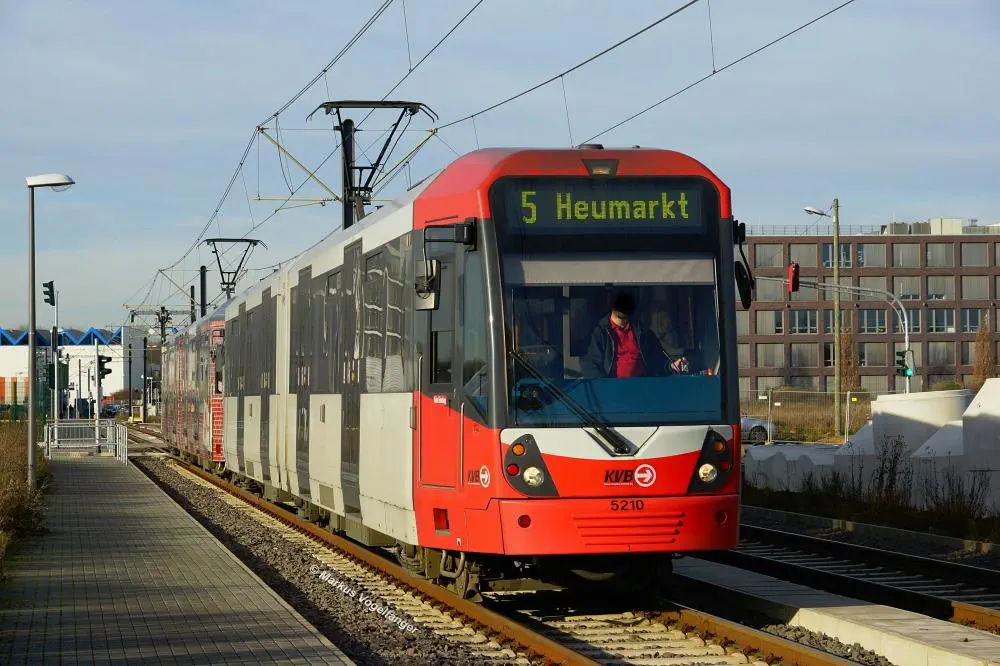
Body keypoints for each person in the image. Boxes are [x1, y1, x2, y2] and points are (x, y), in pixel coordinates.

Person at [582, 291, 689, 378]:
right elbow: (590, 366)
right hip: (612, 389)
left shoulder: (643, 332)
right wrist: (606, 388)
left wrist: (671, 365)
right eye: (619, 316)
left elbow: (657, 359)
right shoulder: (598, 333)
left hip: (642, 387)